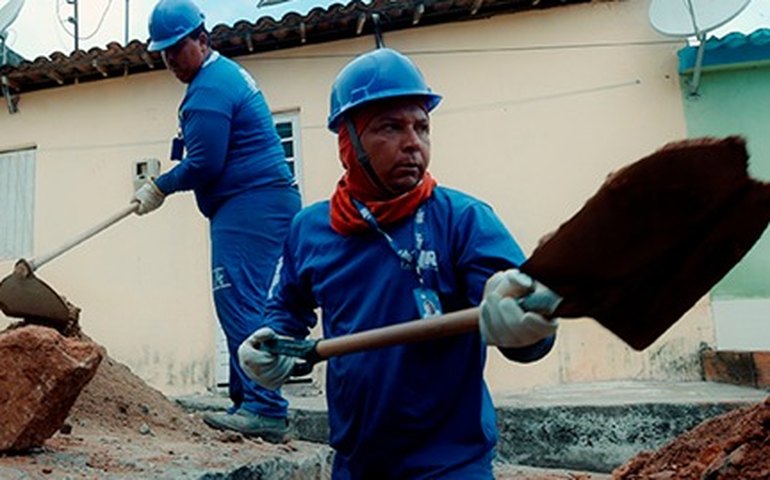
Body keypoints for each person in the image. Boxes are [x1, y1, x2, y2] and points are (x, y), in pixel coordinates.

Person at [237, 47, 559, 478]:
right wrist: (270, 345)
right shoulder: (309, 230)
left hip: (451, 464)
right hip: (356, 463)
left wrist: (529, 328)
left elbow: (522, 317)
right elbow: (286, 311)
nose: (413, 143)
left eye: (422, 127)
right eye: (391, 127)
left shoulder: (463, 220)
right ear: (347, 142)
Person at [133, 0, 301, 443]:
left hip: (251, 205)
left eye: (176, 48)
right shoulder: (220, 77)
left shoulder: (210, 88)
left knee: (239, 301)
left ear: (202, 39)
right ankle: (247, 403)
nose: (169, 59)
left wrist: (159, 186)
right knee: (242, 302)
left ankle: (264, 409)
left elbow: (205, 164)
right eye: (163, 52)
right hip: (255, 204)